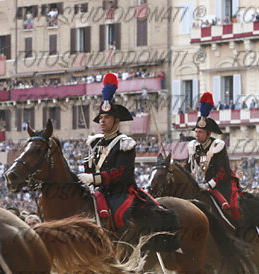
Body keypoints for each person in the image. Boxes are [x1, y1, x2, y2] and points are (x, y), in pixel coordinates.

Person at [78, 73, 175, 244]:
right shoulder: (95, 143)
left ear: (116, 121)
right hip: (99, 192)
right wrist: (88, 170)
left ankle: (129, 248)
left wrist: (94, 178)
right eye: (100, 118)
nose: (102, 121)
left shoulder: (125, 143)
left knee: (119, 217)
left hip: (121, 192)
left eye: (106, 118)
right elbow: (92, 170)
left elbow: (121, 173)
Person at [187, 92, 241, 220]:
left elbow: (223, 171)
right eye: (196, 132)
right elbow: (189, 168)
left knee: (233, 206)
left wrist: (209, 184)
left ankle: (238, 227)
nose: (197, 135)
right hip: (203, 185)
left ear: (208, 133)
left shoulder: (218, 146)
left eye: (200, 132)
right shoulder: (194, 147)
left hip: (223, 184)